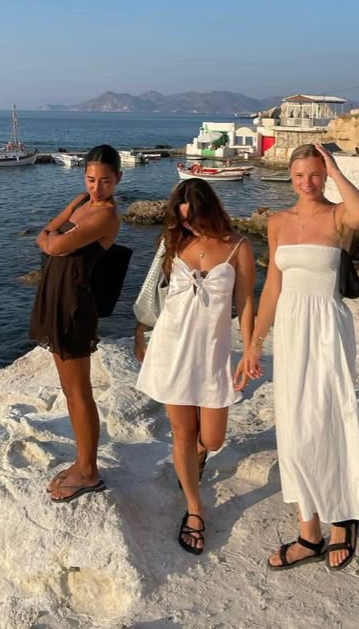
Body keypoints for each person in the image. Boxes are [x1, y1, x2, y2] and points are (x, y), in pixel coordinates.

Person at [245, 142, 359, 571]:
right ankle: (310, 532)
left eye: (316, 174)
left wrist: (336, 168)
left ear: (324, 175)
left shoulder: (339, 217)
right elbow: (272, 287)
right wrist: (254, 341)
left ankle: (343, 518)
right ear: (290, 176)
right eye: (300, 175)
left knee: (331, 417)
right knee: (294, 426)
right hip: (290, 330)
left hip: (328, 328)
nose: (307, 183)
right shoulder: (278, 222)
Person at [135, 178, 256, 555]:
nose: (189, 225)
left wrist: (251, 348)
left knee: (214, 439)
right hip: (171, 349)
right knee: (181, 433)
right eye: (183, 219)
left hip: (213, 357)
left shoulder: (238, 247)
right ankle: (194, 509)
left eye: (194, 218)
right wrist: (141, 331)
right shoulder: (174, 242)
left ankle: (198, 456)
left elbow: (247, 303)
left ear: (211, 211)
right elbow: (155, 292)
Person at [29, 144, 123, 503]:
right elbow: (46, 234)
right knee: (70, 391)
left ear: (118, 179)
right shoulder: (81, 202)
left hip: (74, 304)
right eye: (91, 179)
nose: (97, 187)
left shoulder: (107, 216)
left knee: (79, 390)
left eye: (105, 181)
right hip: (57, 293)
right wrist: (57, 233)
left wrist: (53, 238)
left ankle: (89, 470)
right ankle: (83, 462)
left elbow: (51, 244)